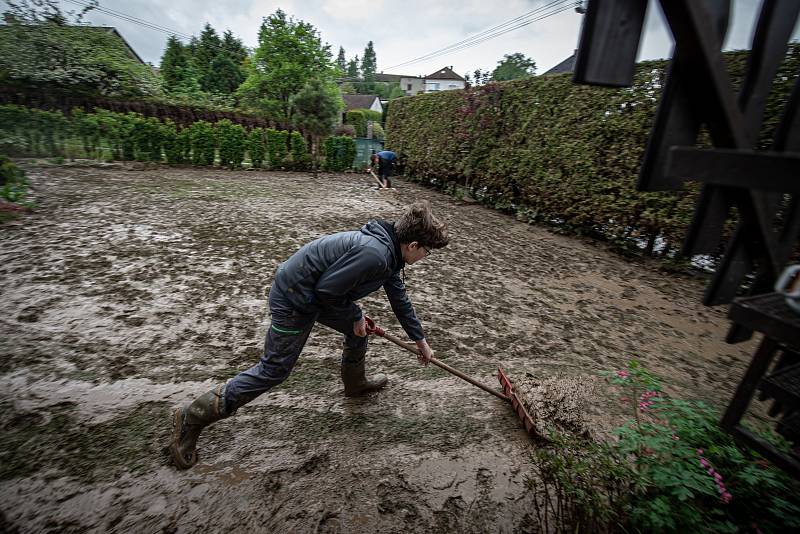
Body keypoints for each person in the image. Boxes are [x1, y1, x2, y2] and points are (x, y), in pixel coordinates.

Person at [169, 201, 449, 469]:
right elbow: (326, 291)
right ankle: (191, 417)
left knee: (360, 331)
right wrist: (353, 315)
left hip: (315, 294)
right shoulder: (374, 254)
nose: (425, 256)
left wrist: (420, 341)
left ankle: (355, 384)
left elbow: (398, 297)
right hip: (295, 297)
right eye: (427, 251)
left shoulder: (389, 253)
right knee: (274, 369)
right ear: (413, 245)